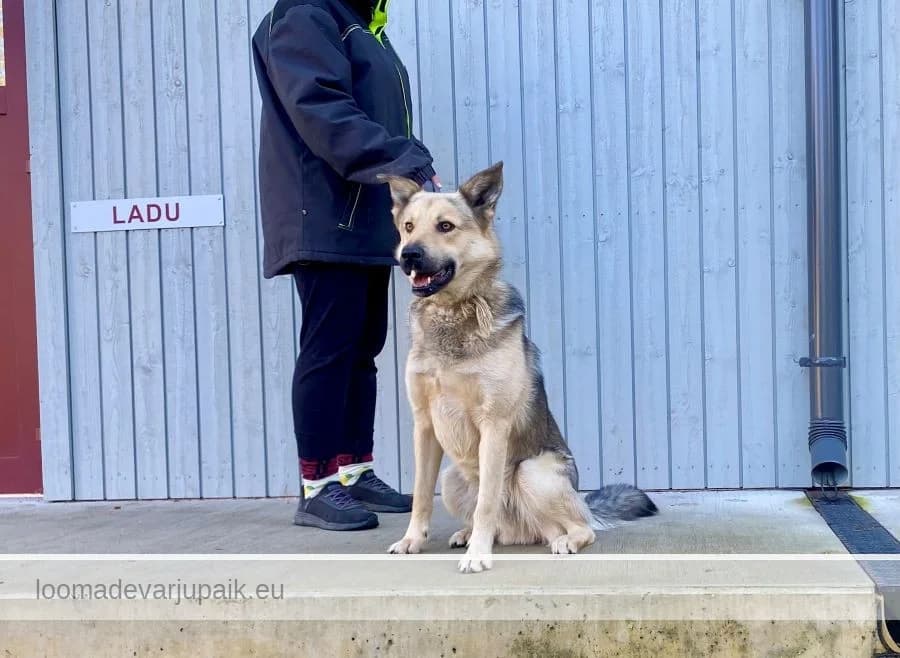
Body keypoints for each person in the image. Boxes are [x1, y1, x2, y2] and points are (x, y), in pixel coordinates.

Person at [252, 0, 440, 531]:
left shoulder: (363, 24)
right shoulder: (304, 16)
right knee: (329, 348)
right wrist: (403, 158)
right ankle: (317, 486)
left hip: (361, 216)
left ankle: (354, 470)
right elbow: (320, 107)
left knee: (363, 347)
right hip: (322, 214)